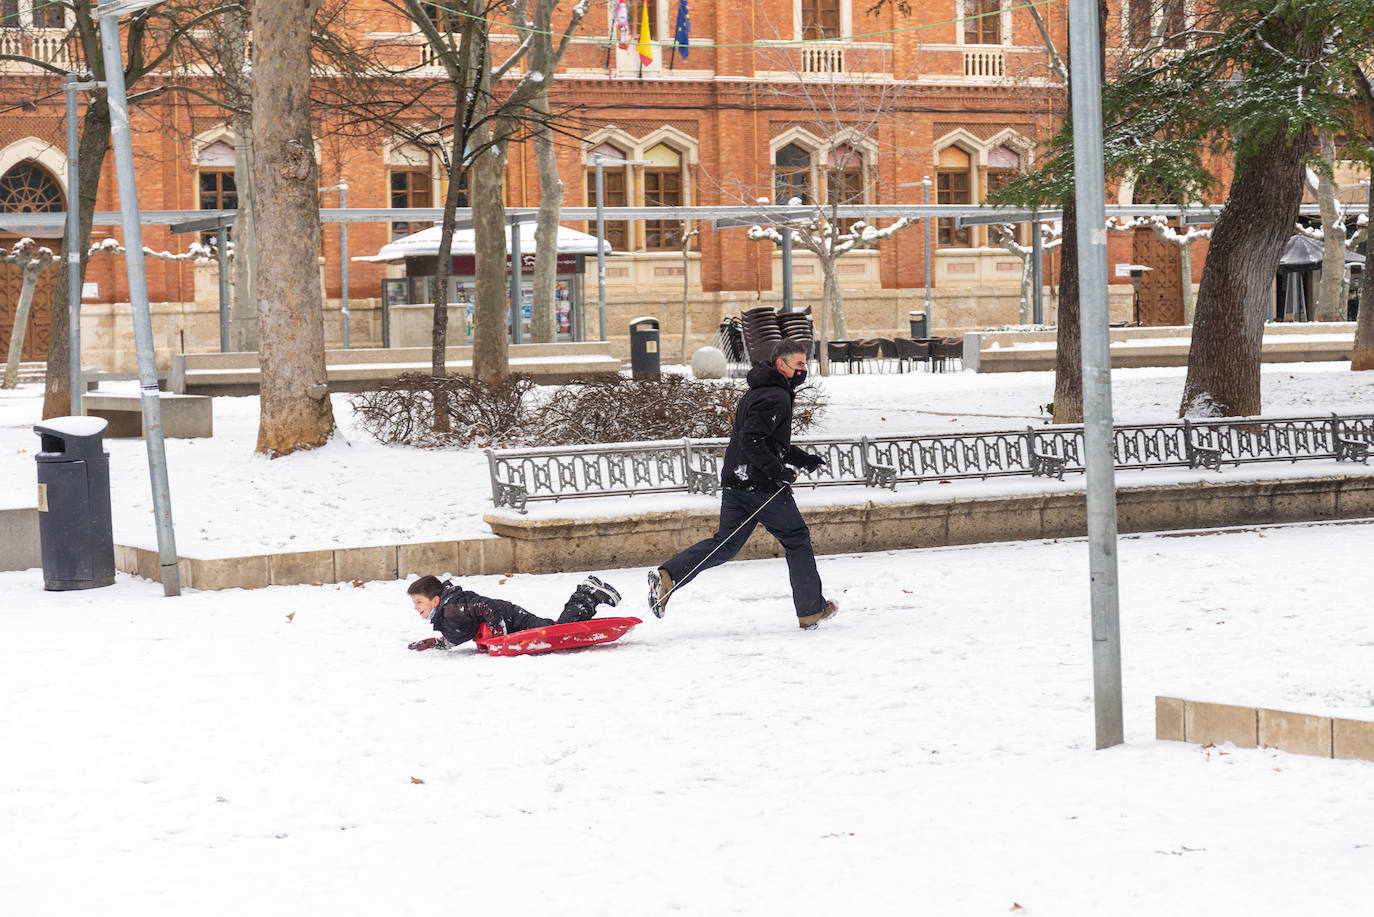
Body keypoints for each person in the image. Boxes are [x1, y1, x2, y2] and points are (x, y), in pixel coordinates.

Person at [647, 340, 838, 629]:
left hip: (739, 481)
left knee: (725, 544)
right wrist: (778, 472)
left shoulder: (761, 391)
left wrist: (801, 458)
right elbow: (752, 440)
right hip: (762, 487)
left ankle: (669, 576)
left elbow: (767, 439)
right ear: (781, 365)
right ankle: (811, 609)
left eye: (804, 364)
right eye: (799, 364)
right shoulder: (775, 396)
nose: (803, 370)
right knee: (797, 540)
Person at [407, 574, 622, 651]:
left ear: (435, 600)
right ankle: (587, 592)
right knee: (553, 627)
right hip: (510, 617)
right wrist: (434, 643)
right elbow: (460, 633)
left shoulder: (453, 607)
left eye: (419, 602)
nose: (416, 607)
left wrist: (499, 634)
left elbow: (485, 607)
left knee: (557, 631)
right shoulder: (448, 611)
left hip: (512, 618)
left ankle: (589, 594)